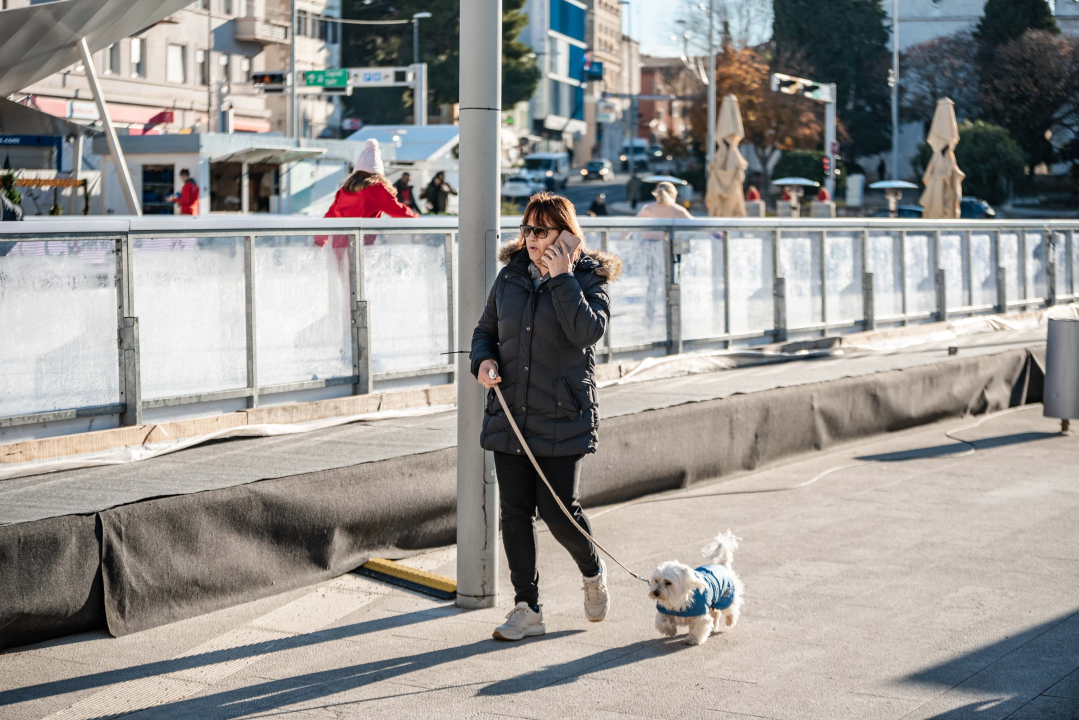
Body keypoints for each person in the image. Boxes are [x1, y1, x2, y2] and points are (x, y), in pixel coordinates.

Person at [471, 192, 623, 642]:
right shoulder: (510, 277)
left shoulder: (589, 278)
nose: (531, 239)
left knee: (559, 512)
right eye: (527, 229)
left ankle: (592, 572)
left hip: (562, 415)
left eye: (542, 231)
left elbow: (586, 333)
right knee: (514, 514)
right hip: (511, 414)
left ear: (566, 236)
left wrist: (562, 277)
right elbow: (485, 332)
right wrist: (482, 362)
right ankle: (527, 607)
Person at [324, 139, 418, 220]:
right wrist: (415, 218)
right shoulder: (377, 189)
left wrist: (320, 240)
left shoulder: (344, 189)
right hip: (363, 239)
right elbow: (399, 211)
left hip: (340, 239)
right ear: (378, 172)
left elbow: (330, 215)